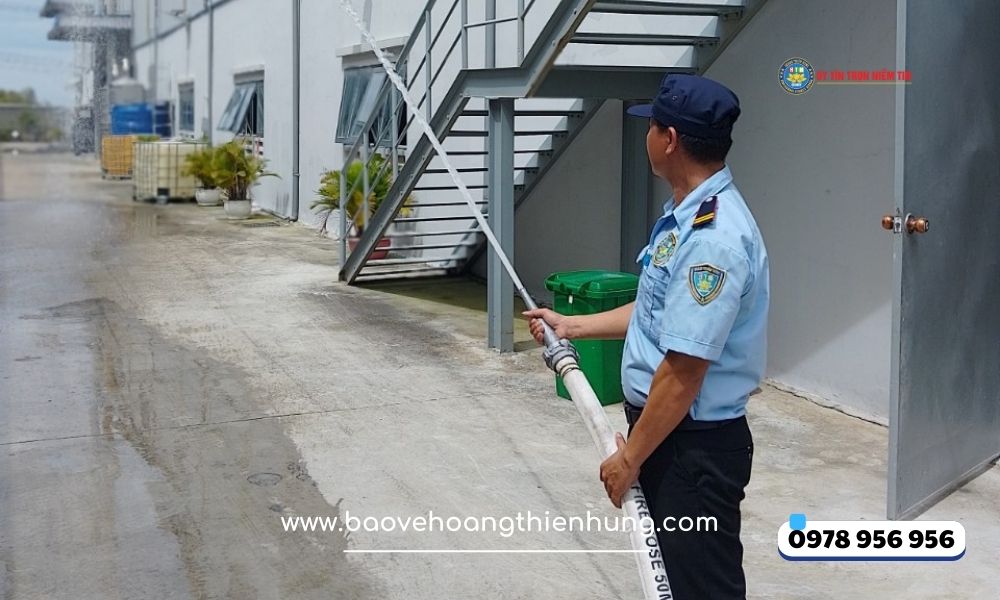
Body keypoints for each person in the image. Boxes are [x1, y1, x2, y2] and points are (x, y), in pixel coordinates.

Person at [525, 73, 769, 600]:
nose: (647, 137)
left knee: (701, 588)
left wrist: (629, 458)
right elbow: (658, 312)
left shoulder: (712, 240)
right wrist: (571, 325)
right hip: (668, 437)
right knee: (676, 581)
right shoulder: (685, 217)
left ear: (670, 139)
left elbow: (683, 373)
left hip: (691, 449)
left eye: (651, 127)